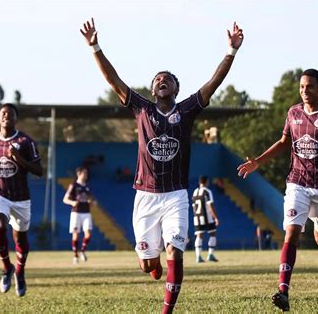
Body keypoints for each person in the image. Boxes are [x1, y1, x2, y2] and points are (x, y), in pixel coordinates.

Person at [80, 18, 243, 313]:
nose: (161, 80)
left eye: (167, 78)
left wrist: (230, 52)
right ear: (153, 89)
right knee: (147, 265)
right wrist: (95, 46)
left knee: (175, 252)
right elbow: (113, 80)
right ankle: (153, 266)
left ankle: (167, 310)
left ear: (176, 89)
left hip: (176, 195)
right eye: (157, 78)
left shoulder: (187, 110)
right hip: (145, 195)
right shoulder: (141, 108)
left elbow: (213, 84)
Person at [237, 69, 318, 311]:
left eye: (310, 86)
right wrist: (258, 161)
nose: (305, 91)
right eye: (302, 87)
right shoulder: (293, 113)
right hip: (298, 183)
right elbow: (284, 143)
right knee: (292, 232)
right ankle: (283, 291)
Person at [0, 103, 43, 297]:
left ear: (16, 119)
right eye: (3, 113)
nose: (6, 116)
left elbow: (38, 171)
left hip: (20, 198)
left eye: (10, 113)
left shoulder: (26, 142)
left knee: (20, 240)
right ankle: (6, 267)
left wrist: (18, 158)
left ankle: (20, 271)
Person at [63, 166, 96, 264]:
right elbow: (65, 199)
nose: (86, 175)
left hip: (86, 212)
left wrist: (92, 202)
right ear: (79, 173)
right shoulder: (73, 185)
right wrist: (72, 203)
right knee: (75, 235)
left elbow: (90, 199)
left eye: (86, 173)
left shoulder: (87, 186)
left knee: (88, 234)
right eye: (84, 173)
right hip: (76, 213)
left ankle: (82, 251)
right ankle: (75, 256)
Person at [192, 176, 220, 263]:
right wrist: (216, 218)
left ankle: (198, 257)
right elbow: (210, 206)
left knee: (199, 236)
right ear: (206, 182)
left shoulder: (195, 192)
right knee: (213, 233)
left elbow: (193, 207)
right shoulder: (207, 191)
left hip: (197, 217)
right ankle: (210, 255)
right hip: (207, 217)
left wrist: (196, 215)